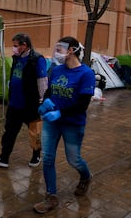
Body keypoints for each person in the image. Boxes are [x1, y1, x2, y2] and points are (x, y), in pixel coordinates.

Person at [33, 36, 95, 214]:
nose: (56, 52)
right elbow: (49, 91)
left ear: (72, 50)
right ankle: (51, 196)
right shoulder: (57, 70)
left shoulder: (86, 74)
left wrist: (60, 112)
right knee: (48, 158)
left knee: (73, 159)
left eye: (60, 48)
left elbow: (83, 104)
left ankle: (85, 176)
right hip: (52, 123)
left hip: (72, 124)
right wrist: (45, 103)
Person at [0, 33, 48, 168]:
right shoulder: (16, 58)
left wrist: (42, 101)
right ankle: (4, 157)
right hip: (14, 104)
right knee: (9, 131)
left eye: (15, 46)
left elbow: (42, 81)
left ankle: (36, 155)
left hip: (30, 105)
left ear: (24, 45)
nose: (13, 49)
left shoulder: (37, 59)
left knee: (34, 131)